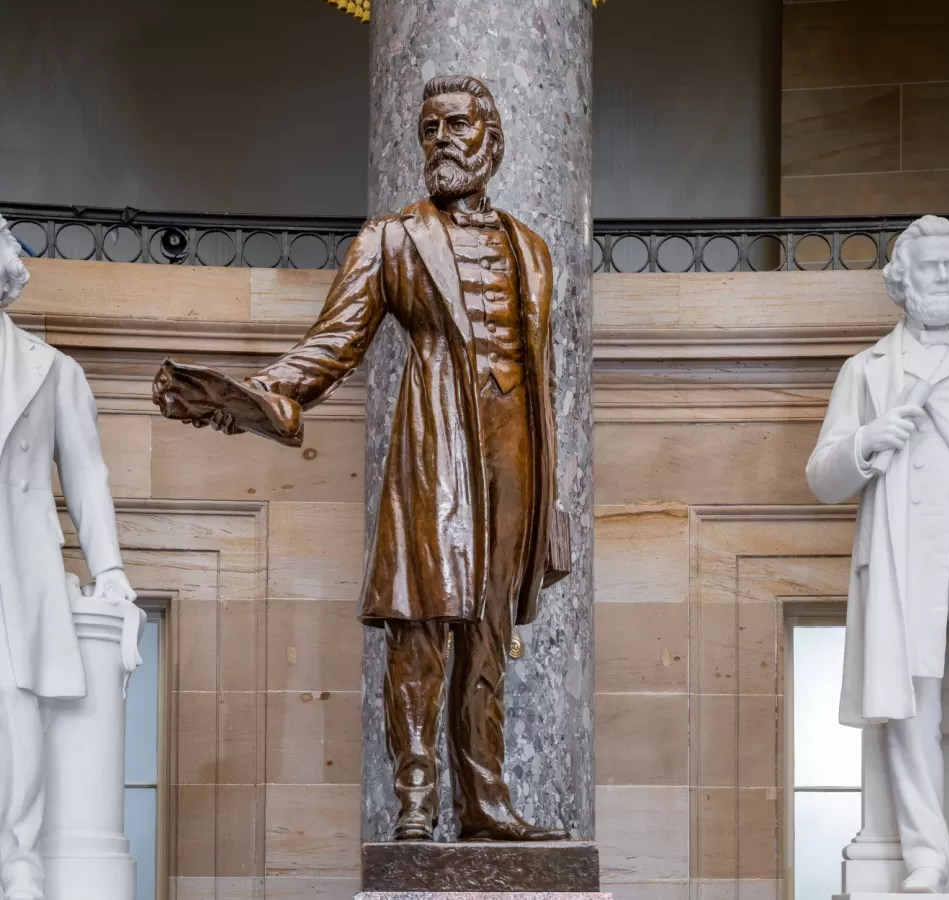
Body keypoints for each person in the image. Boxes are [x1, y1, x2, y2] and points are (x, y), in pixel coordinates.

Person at [153, 75, 567, 842]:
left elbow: (545, 385)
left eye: (457, 125)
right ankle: (416, 798)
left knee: (487, 631)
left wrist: (555, 502)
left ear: (493, 141)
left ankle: (486, 803)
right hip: (435, 441)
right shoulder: (393, 238)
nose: (440, 139)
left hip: (515, 456)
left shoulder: (533, 251)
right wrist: (263, 394)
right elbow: (336, 341)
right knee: (421, 623)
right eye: (428, 128)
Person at [807, 215, 949, 893]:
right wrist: (869, 438)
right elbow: (821, 477)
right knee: (910, 705)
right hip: (905, 546)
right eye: (933, 267)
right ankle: (928, 849)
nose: (947, 278)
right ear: (903, 280)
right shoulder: (866, 370)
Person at [0, 217, 136, 900]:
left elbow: (87, 478)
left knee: (15, 710)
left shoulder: (52, 371)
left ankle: (17, 863)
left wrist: (109, 571)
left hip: (16, 566)